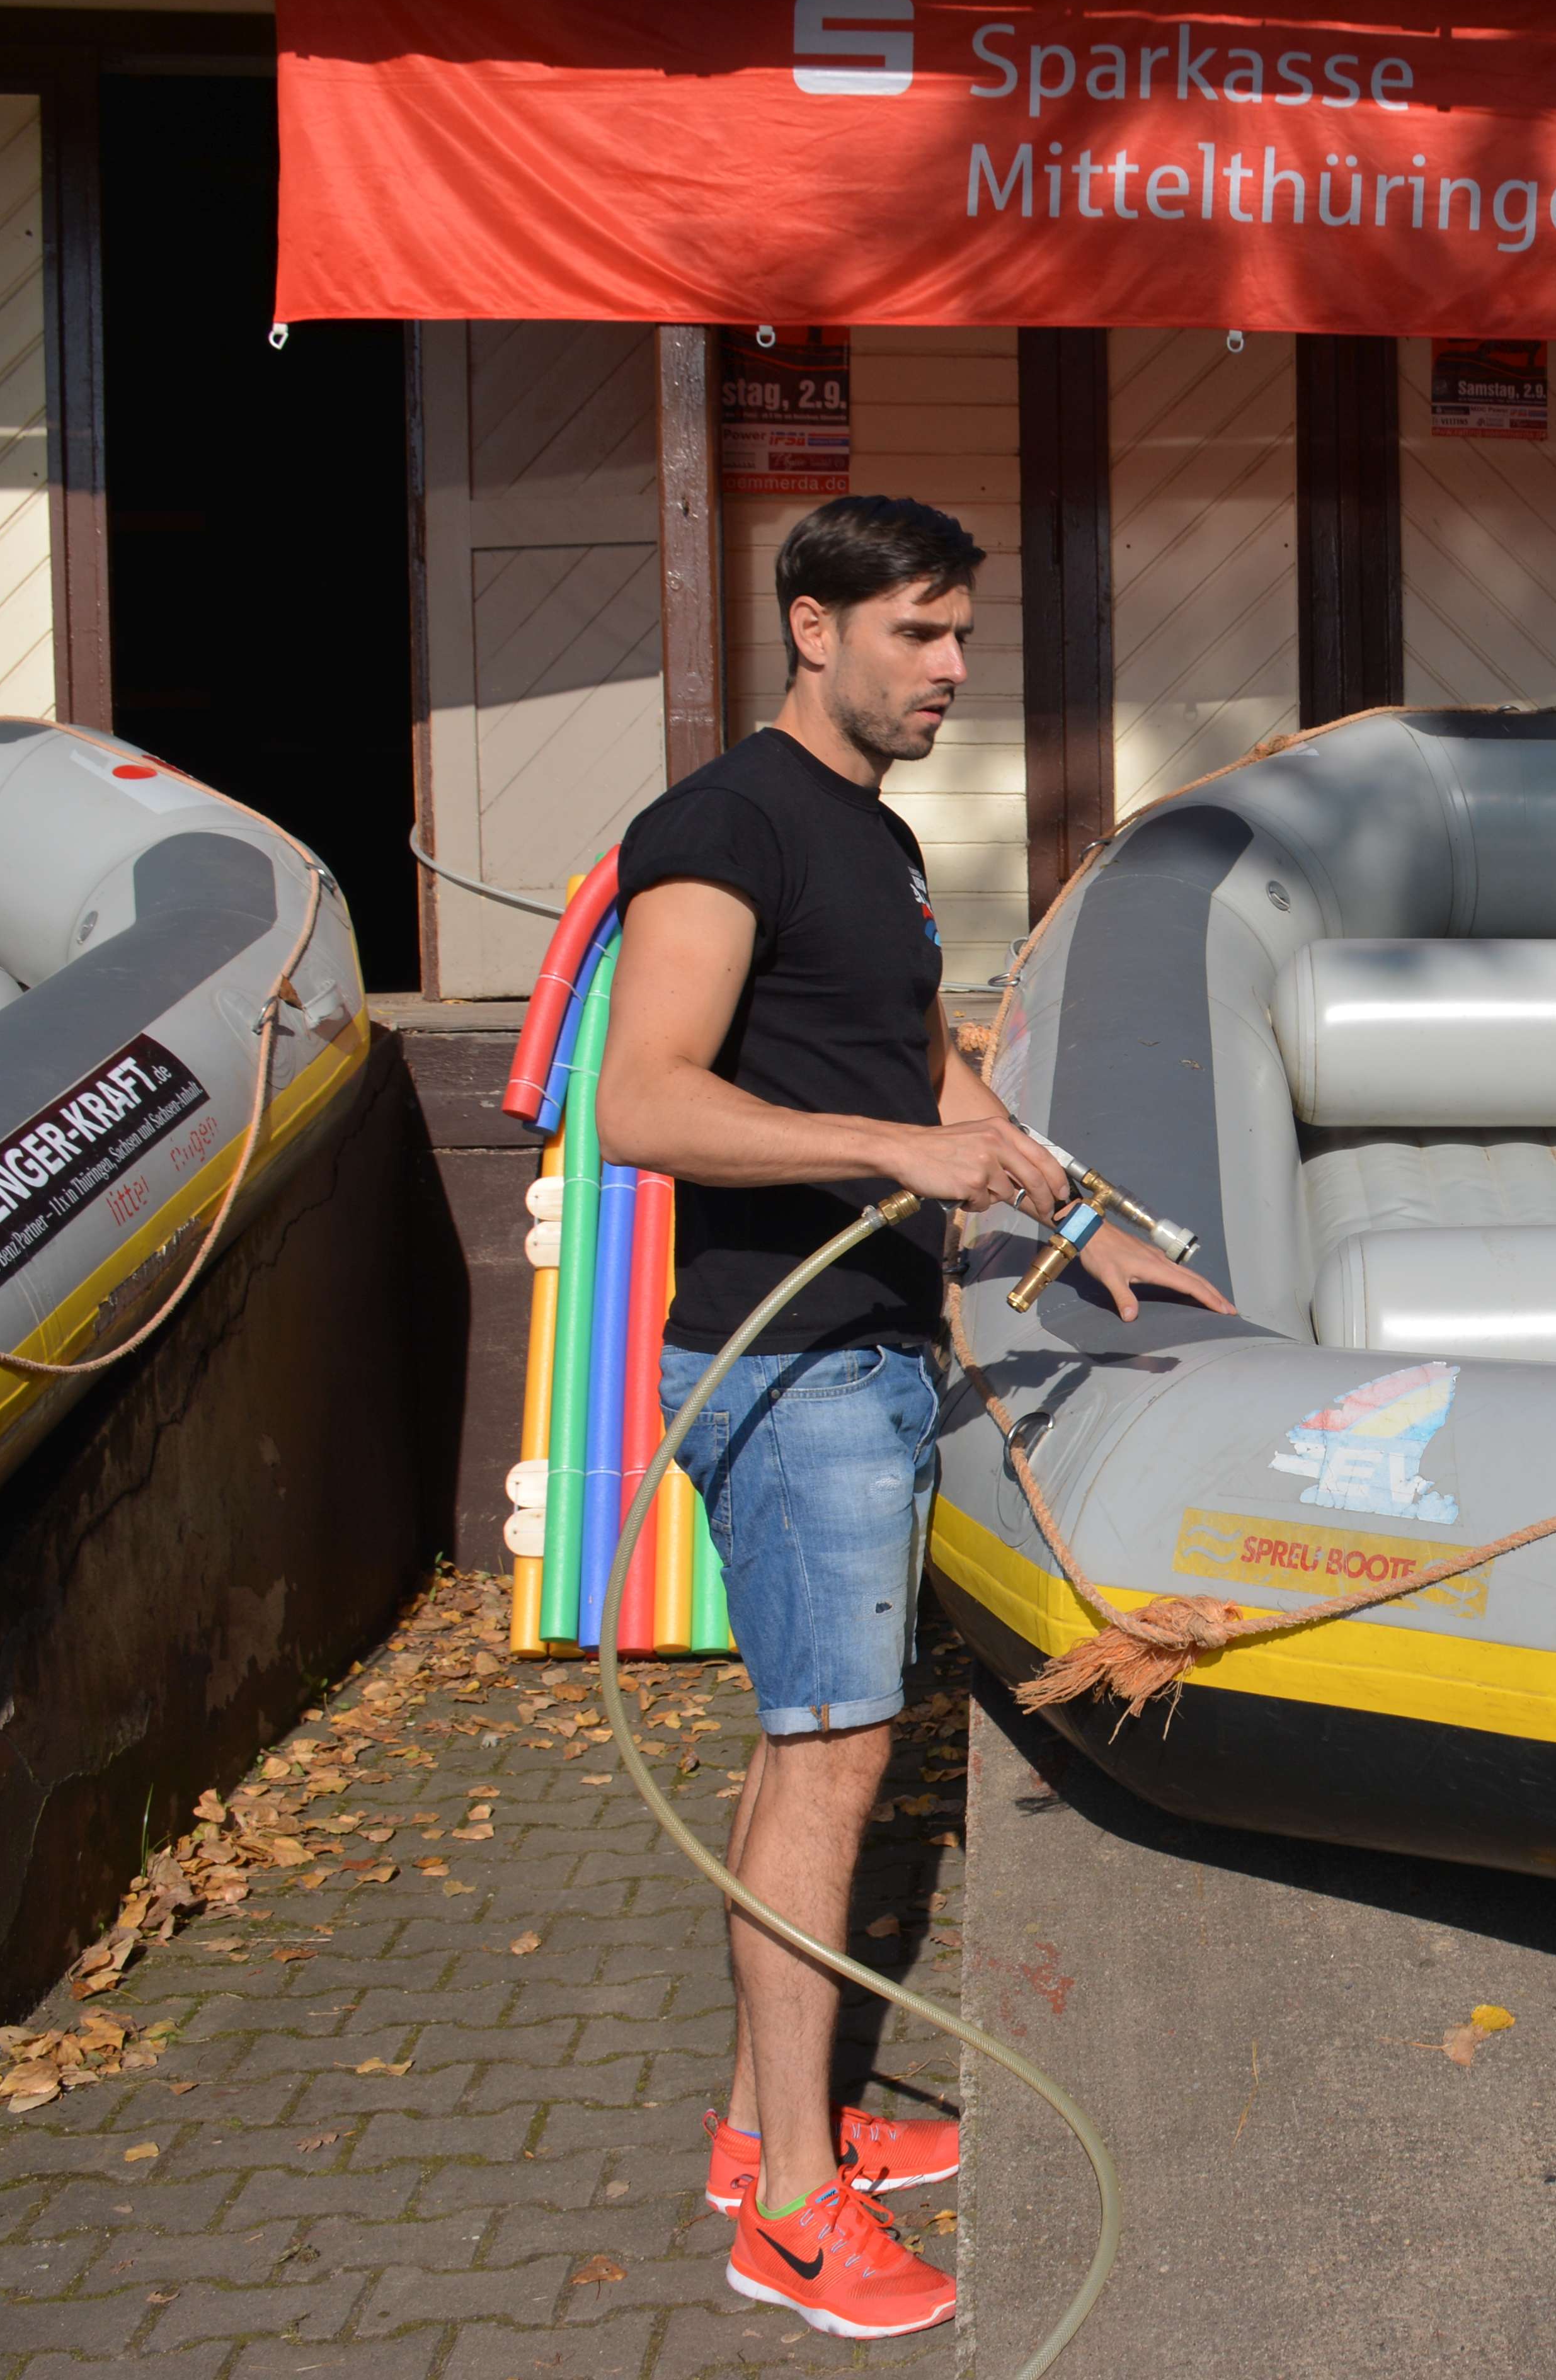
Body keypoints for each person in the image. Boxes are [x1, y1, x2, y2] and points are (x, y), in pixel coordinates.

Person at [598, 494, 1231, 2340]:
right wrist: (896, 1149)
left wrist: (1084, 1225)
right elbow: (644, 1101)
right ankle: (793, 2215)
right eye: (918, 635)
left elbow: (926, 1063)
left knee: (815, 1753)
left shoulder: (868, 838)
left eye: (962, 634)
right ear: (814, 628)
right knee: (832, 1766)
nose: (954, 670)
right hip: (783, 1367)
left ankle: (761, 2131)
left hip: (867, 1352)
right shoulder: (722, 826)